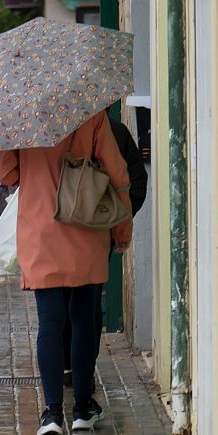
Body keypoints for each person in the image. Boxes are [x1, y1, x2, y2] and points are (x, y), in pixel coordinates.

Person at [0, 111, 132, 435]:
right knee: (84, 319)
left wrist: (6, 131)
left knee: (50, 322)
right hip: (87, 225)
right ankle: (83, 407)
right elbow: (117, 172)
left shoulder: (22, 116)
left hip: (41, 231)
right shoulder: (90, 115)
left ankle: (52, 412)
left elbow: (4, 172)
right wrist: (121, 230)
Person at [62, 117, 149, 389]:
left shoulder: (54, 131)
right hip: (98, 230)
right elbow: (134, 180)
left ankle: (71, 365)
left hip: (64, 231)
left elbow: (134, 179)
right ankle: (80, 368)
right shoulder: (111, 129)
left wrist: (120, 218)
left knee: (65, 301)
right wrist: (117, 218)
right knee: (86, 302)